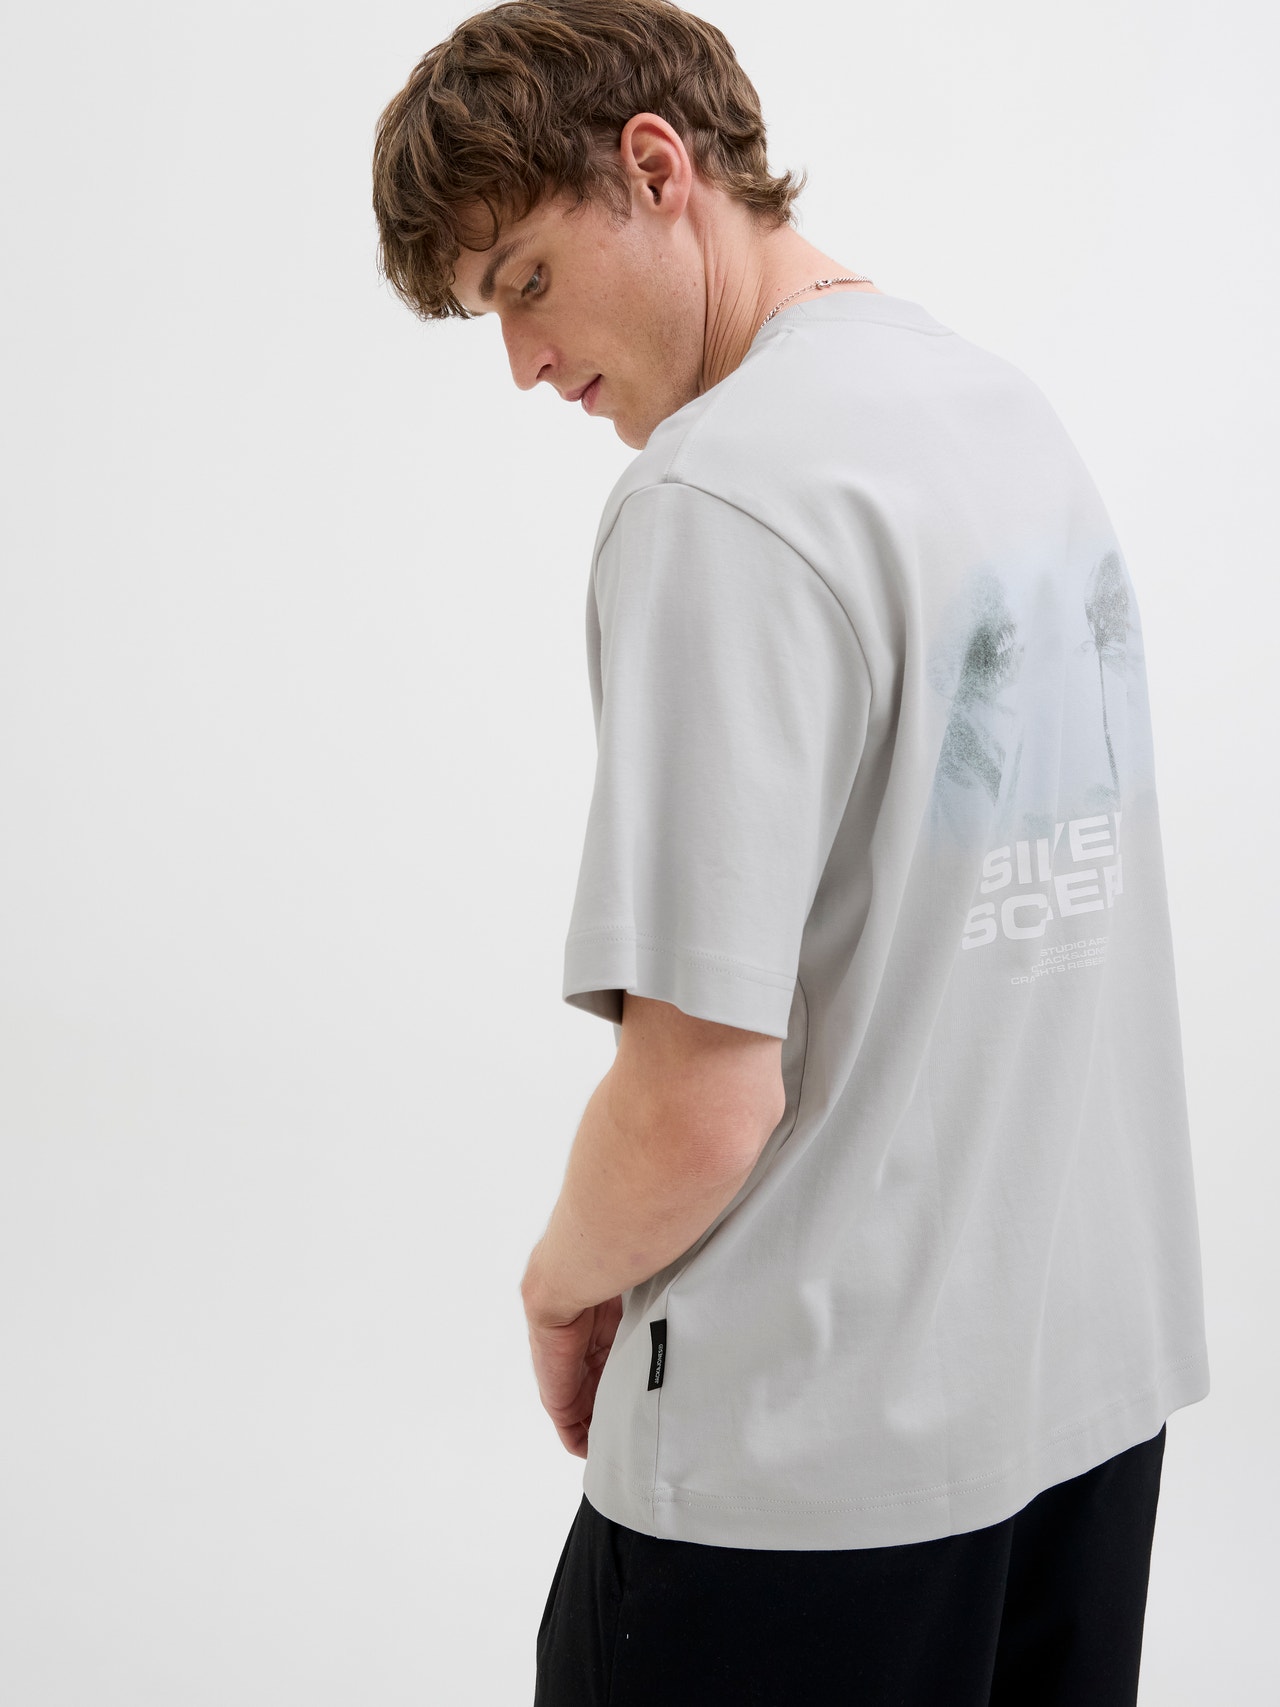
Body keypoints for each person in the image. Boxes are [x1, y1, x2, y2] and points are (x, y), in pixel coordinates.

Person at [371, 3, 1211, 1701]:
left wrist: (558, 1285)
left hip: (807, 1478)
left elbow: (699, 1100)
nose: (523, 363)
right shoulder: (1002, 413)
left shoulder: (720, 498)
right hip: (1084, 1413)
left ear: (655, 168)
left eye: (526, 280)